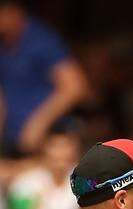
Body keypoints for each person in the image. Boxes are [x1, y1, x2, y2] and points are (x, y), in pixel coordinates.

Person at [0, 0, 87, 155]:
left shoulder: (41, 40)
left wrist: (39, 123)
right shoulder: (5, 43)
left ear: (12, 12)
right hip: (12, 140)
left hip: (47, 140)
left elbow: (74, 86)